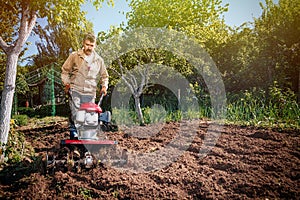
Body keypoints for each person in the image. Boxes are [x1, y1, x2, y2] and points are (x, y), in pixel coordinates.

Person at [61, 32, 109, 139]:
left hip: (90, 92)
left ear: (95, 45)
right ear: (83, 43)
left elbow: (105, 76)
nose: (89, 48)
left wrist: (104, 86)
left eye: (91, 45)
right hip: (75, 90)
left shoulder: (99, 60)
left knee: (90, 116)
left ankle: (89, 137)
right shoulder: (74, 56)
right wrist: (66, 83)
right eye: (87, 45)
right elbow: (65, 70)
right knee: (76, 114)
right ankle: (74, 135)